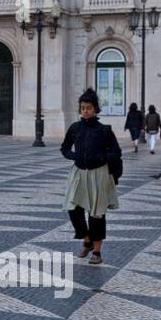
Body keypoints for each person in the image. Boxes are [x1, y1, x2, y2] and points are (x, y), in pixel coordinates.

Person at [60, 88, 122, 265]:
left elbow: (116, 153)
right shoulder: (75, 128)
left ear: (95, 109)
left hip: (98, 173)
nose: (85, 111)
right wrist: (73, 156)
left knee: (96, 213)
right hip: (79, 172)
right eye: (82, 108)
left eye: (88, 107)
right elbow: (64, 148)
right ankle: (86, 239)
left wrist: (102, 156)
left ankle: (97, 251)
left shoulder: (104, 130)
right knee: (73, 208)